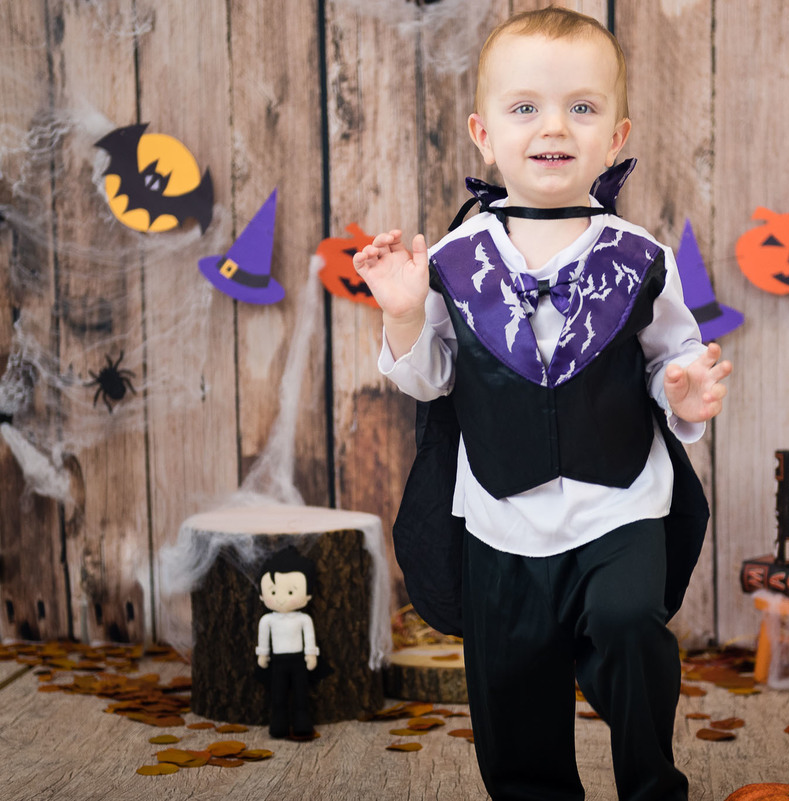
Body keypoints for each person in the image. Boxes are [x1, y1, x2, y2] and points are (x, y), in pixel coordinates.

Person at [354, 8, 732, 800]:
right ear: (483, 133)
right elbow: (432, 379)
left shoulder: (641, 258)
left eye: (581, 108)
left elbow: (675, 356)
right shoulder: (456, 259)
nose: (553, 126)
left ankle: (652, 784)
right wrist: (400, 309)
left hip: (620, 504)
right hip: (501, 513)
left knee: (630, 625)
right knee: (514, 693)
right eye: (525, 107)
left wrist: (685, 390)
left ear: (616, 136)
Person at [255, 546, 319, 739]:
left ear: (307, 595)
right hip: (278, 662)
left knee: (301, 692)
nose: (281, 600)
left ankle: (302, 721)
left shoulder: (303, 619)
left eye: (291, 592)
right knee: (278, 693)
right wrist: (263, 654)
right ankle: (278, 722)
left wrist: (310, 654)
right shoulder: (267, 620)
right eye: (273, 592)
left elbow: (309, 637)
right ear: (262, 595)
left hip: (299, 660)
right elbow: (263, 638)